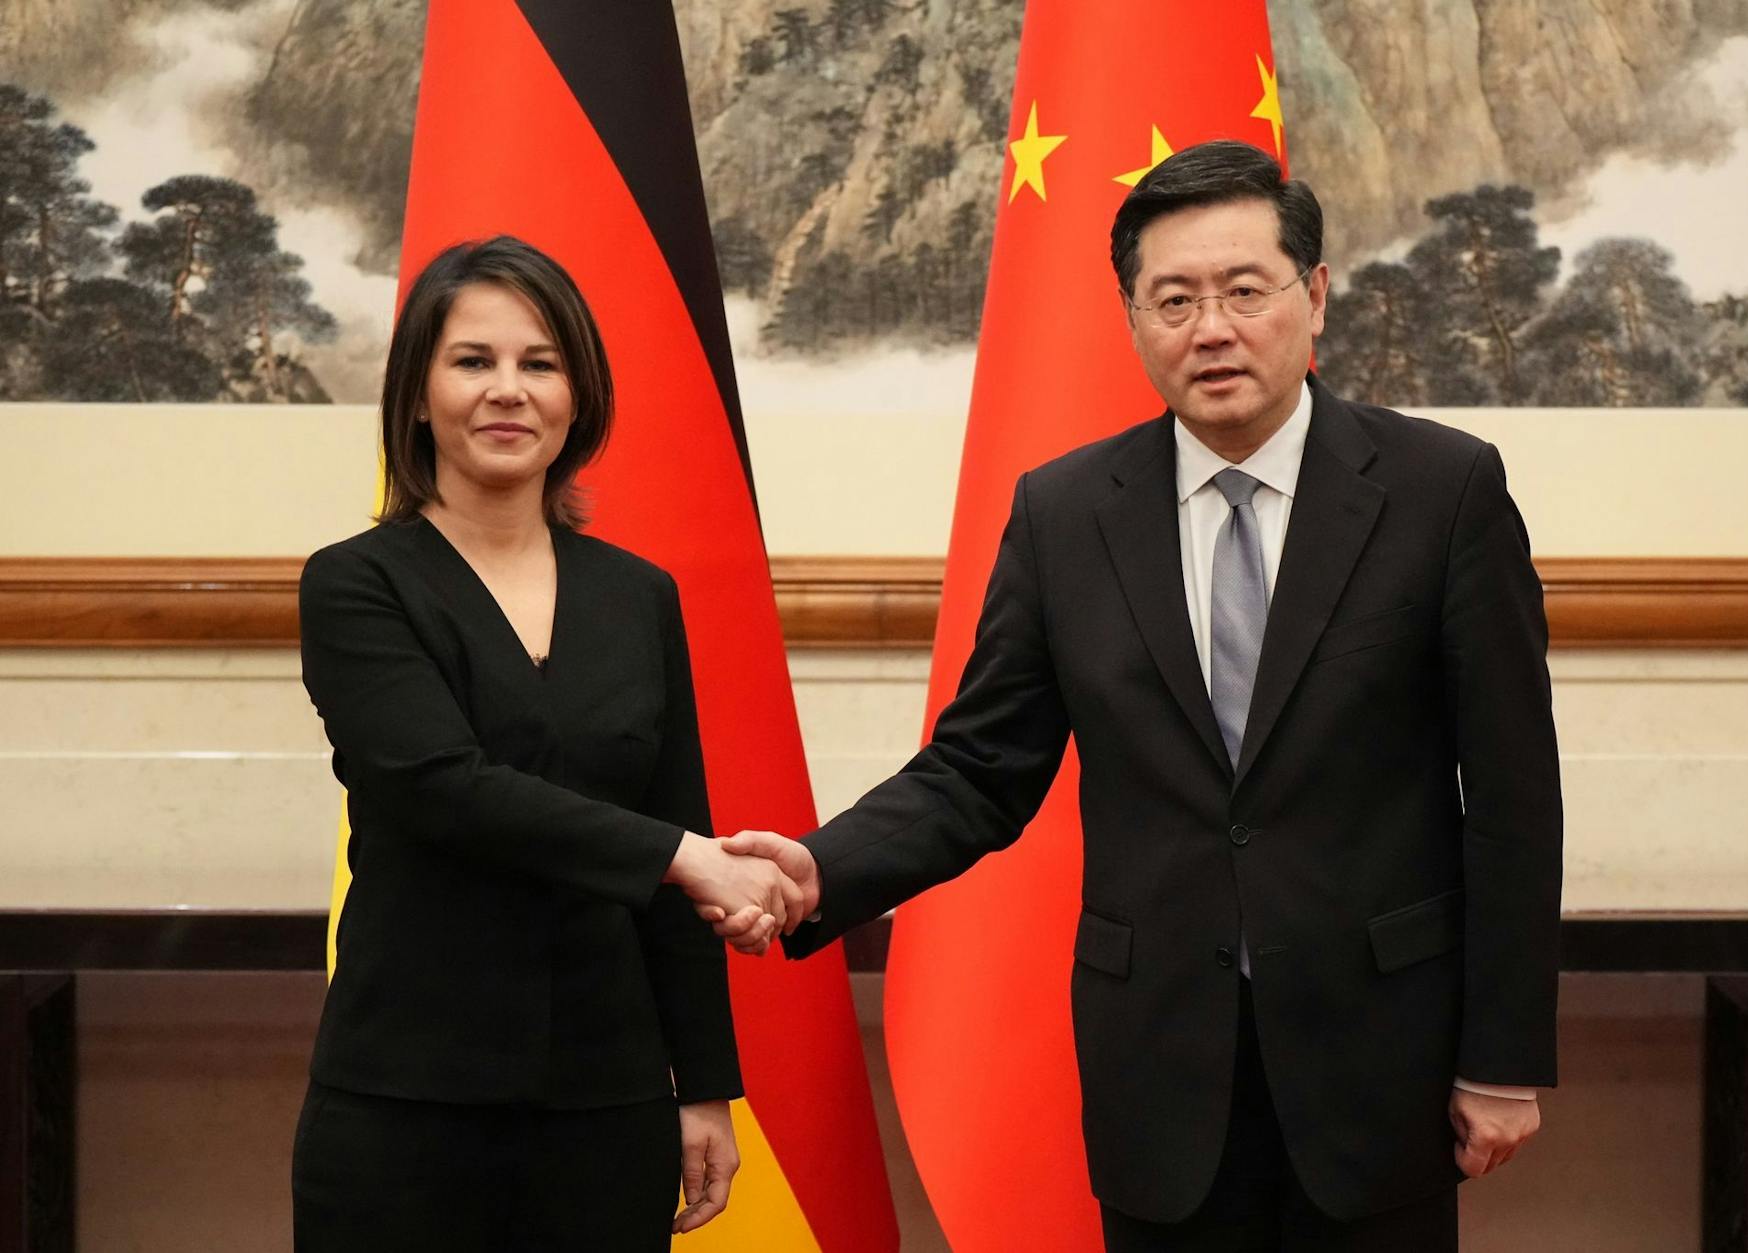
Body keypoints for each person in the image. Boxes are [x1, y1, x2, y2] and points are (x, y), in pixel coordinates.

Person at [717, 141, 1564, 1251]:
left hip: (1377, 1053)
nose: (1209, 328)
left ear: (1311, 297)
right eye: (1172, 300)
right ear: (1131, 322)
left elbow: (1509, 795)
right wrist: (823, 865)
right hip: (1160, 1059)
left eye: (1242, 290)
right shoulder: (1067, 513)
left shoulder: (1440, 491)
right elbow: (979, 768)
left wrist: (1499, 1056)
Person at [291, 235, 796, 1250]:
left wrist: (704, 1086)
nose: (507, 391)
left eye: (540, 363)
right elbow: (444, 787)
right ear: (418, 392)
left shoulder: (636, 594)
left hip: (603, 1102)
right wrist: (681, 855)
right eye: (473, 361)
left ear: (578, 394)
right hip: (406, 1101)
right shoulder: (357, 583)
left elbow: (675, 817)